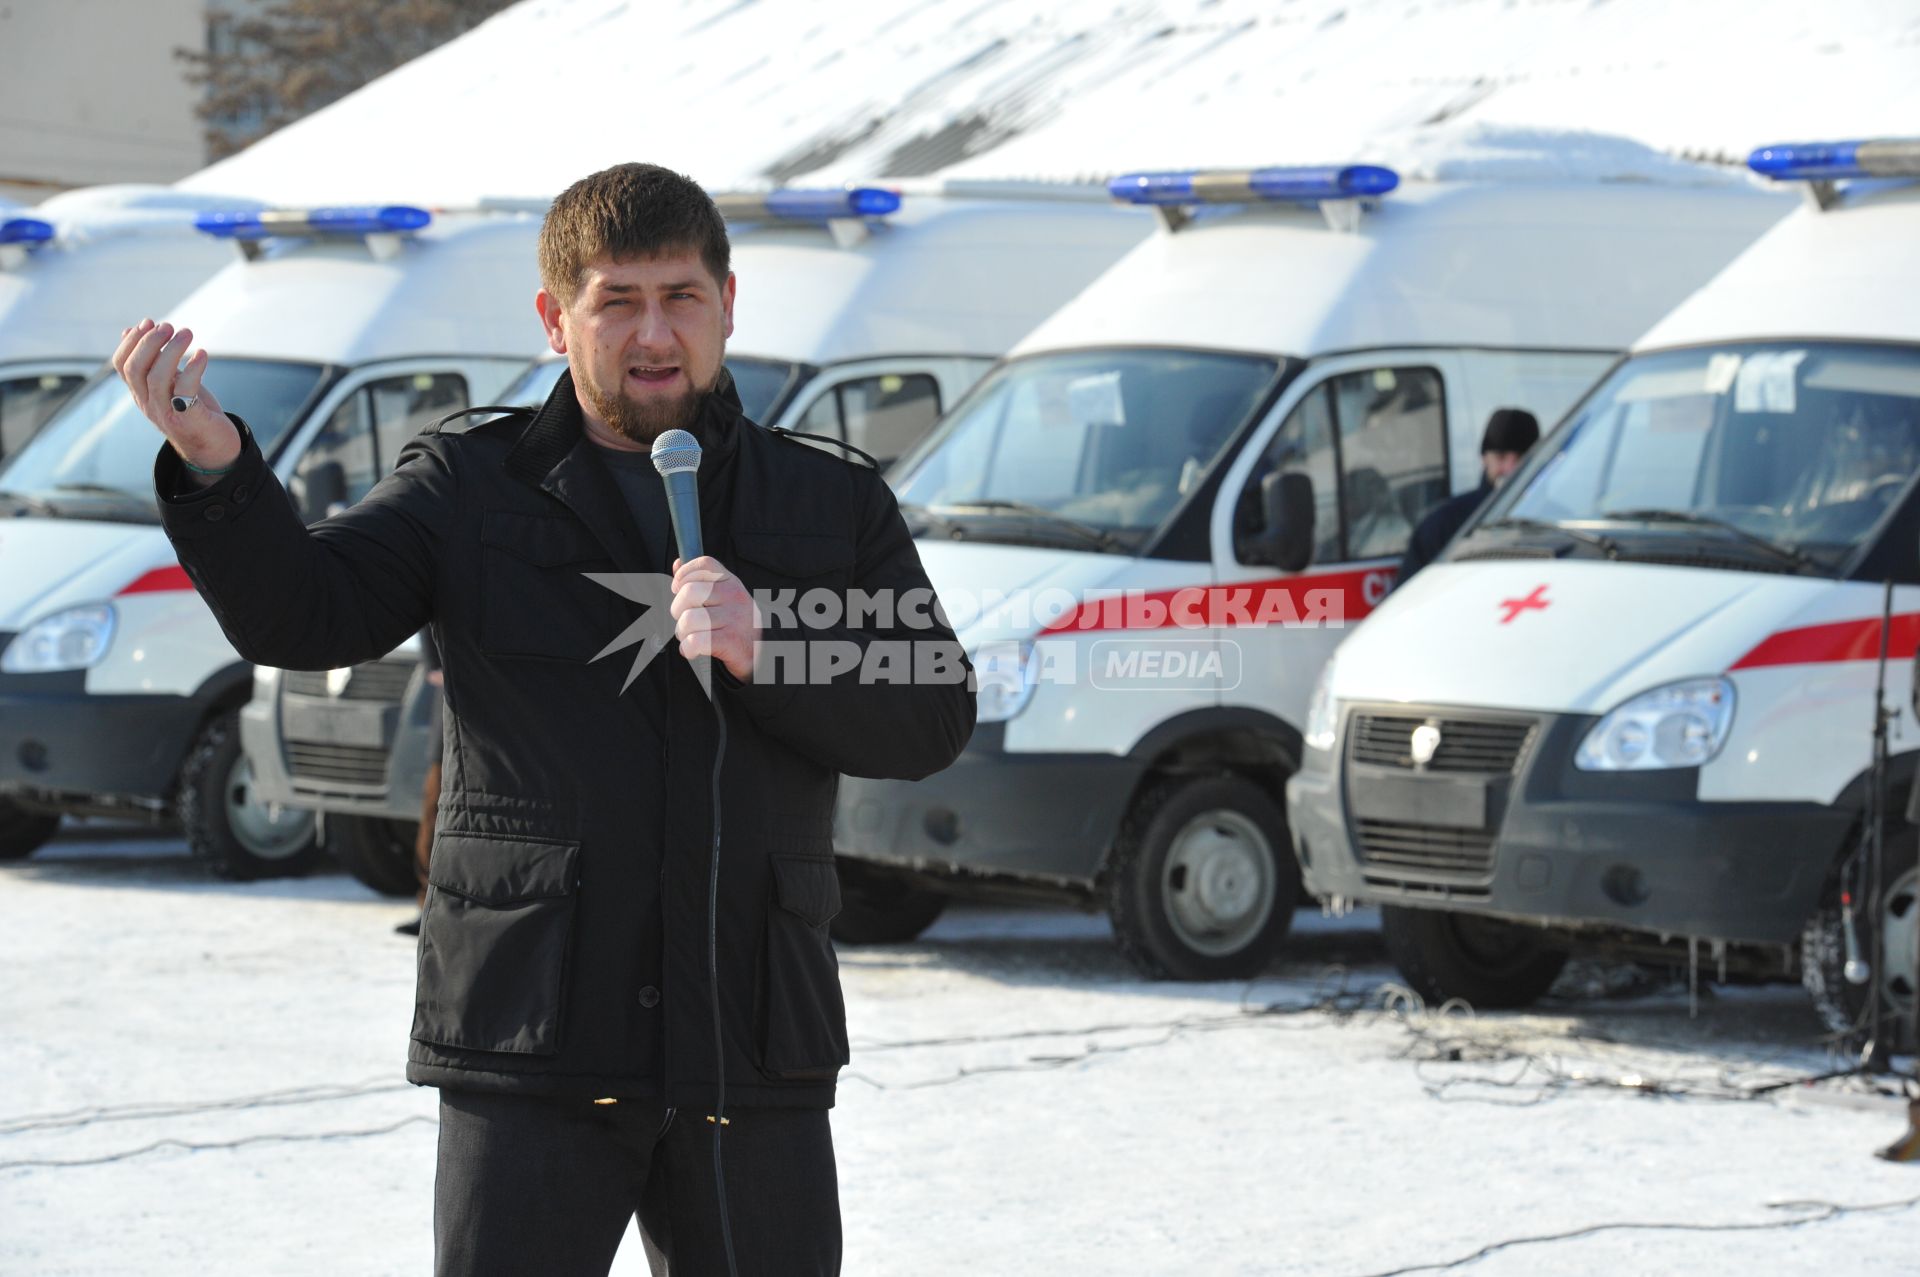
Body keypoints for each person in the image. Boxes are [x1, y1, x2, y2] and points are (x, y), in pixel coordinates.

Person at [112, 163, 975, 1277]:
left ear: (728, 302)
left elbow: (933, 712)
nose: (653, 332)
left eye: (682, 297)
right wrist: (219, 468)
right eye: (617, 300)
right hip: (534, 1034)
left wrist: (778, 650)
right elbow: (305, 613)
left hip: (749, 1041)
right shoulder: (469, 485)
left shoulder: (828, 502)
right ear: (556, 319)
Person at [1396, 407, 1540, 584]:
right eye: (1501, 456)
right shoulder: (1444, 524)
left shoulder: (1558, 525)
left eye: (1521, 458)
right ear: (1484, 457)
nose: (1510, 469)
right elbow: (1409, 599)